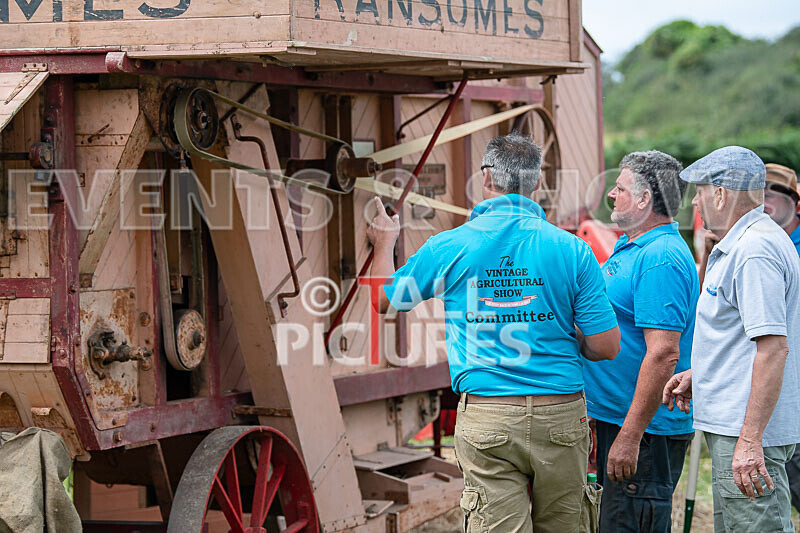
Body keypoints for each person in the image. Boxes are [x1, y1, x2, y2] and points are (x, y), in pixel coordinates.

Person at [366, 133, 620, 532]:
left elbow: (383, 300)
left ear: (486, 179)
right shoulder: (572, 250)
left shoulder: (448, 246)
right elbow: (606, 346)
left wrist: (385, 243)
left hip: (489, 415)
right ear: (536, 183)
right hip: (561, 414)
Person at [662, 146, 800, 533]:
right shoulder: (746, 244)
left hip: (746, 433)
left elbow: (773, 349)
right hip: (736, 429)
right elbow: (742, 337)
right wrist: (701, 374)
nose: (695, 200)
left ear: (721, 193)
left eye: (701, 191)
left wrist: (751, 440)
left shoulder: (754, 250)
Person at [583, 151, 698, 532]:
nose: (612, 195)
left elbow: (664, 353)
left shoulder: (661, 257)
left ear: (645, 199)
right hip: (622, 423)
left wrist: (630, 436)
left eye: (619, 188)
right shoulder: (636, 247)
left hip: (645, 434)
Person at [761, 163, 800, 514]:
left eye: (774, 192)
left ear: (796, 203)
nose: (765, 200)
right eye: (760, 192)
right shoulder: (751, 245)